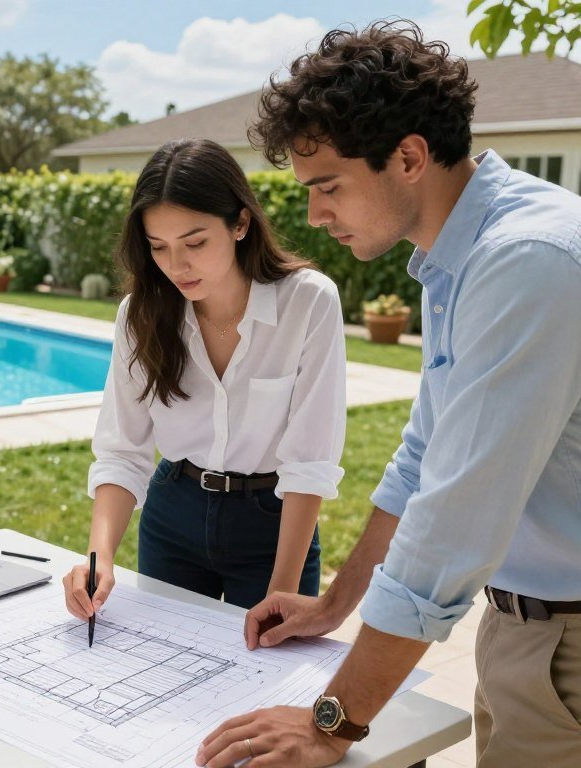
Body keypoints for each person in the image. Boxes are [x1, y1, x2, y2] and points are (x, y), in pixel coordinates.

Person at [195, 20, 581, 768]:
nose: (313, 216)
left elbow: (454, 521)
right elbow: (421, 462)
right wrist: (337, 605)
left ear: (408, 157)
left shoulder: (524, 262)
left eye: (327, 187)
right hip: (525, 629)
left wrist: (330, 723)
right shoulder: (457, 255)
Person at [62, 138, 347, 627]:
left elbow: (309, 465)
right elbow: (122, 451)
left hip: (273, 521)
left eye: (195, 243)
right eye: (158, 248)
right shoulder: (142, 314)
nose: (177, 266)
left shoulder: (308, 303)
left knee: (266, 683)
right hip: (174, 513)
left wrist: (280, 592)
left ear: (240, 223)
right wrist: (99, 557)